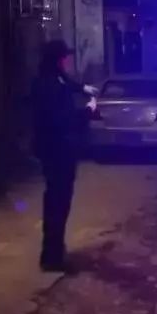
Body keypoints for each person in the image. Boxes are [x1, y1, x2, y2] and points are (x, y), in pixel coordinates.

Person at [31, 40, 96, 272]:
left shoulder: (54, 79)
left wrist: (84, 88)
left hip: (58, 151)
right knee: (57, 204)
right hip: (57, 151)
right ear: (57, 60)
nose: (67, 61)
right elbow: (65, 121)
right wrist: (88, 110)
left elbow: (68, 83)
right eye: (64, 57)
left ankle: (55, 251)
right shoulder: (49, 86)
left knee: (59, 202)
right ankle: (52, 257)